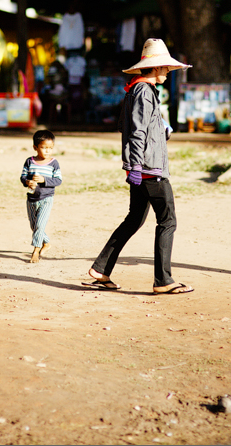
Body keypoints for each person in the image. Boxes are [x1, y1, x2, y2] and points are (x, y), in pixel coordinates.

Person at [84, 38, 194, 295]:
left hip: (141, 169)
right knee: (167, 221)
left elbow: (136, 127)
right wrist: (135, 165)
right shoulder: (144, 92)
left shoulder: (137, 90)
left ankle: (101, 269)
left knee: (134, 219)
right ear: (155, 68)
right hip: (149, 170)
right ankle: (163, 281)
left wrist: (161, 129)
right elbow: (136, 132)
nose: (167, 71)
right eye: (165, 67)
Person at [21, 130, 63, 264]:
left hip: (47, 198)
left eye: (50, 148)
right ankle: (46, 243)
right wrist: (28, 181)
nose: (47, 151)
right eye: (44, 148)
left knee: (40, 225)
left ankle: (35, 252)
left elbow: (58, 180)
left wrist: (44, 180)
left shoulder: (54, 163)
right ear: (35, 147)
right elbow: (23, 177)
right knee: (34, 227)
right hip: (32, 199)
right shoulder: (29, 161)